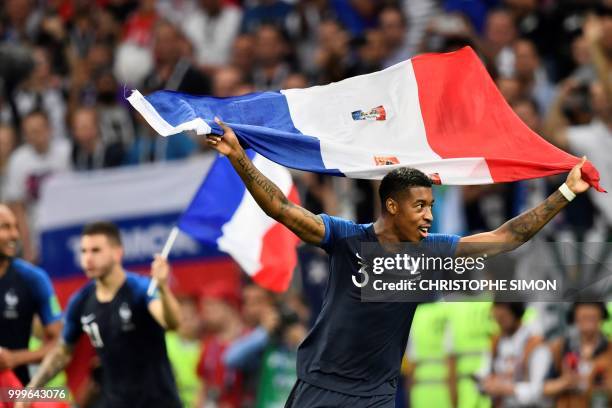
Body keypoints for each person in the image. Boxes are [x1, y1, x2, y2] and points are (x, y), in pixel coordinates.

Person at [206, 118, 590, 407]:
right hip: (320, 388)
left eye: (431, 206)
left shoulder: (433, 249)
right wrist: (240, 158)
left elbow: (508, 237)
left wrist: (566, 191)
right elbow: (283, 209)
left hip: (376, 396)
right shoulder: (346, 238)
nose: (428, 215)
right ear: (392, 206)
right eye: (419, 205)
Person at [18, 222, 182, 408]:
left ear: (117, 253)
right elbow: (63, 352)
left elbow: (171, 323)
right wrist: (30, 390)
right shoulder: (81, 301)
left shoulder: (141, 290)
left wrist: (163, 288)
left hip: (159, 403)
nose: (88, 258)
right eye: (84, 251)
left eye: (96, 251)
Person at [0, 204, 62, 387]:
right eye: (5, 227)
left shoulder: (32, 278)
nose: (15, 235)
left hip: (16, 393)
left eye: (15, 227)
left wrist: (15, 358)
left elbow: (61, 342)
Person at [481, 302, 551, 407]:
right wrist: (487, 383)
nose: (499, 323)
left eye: (503, 317)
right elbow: (483, 376)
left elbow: (539, 390)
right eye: (496, 318)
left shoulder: (534, 343)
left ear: (515, 313)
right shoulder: (496, 342)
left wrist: (508, 389)